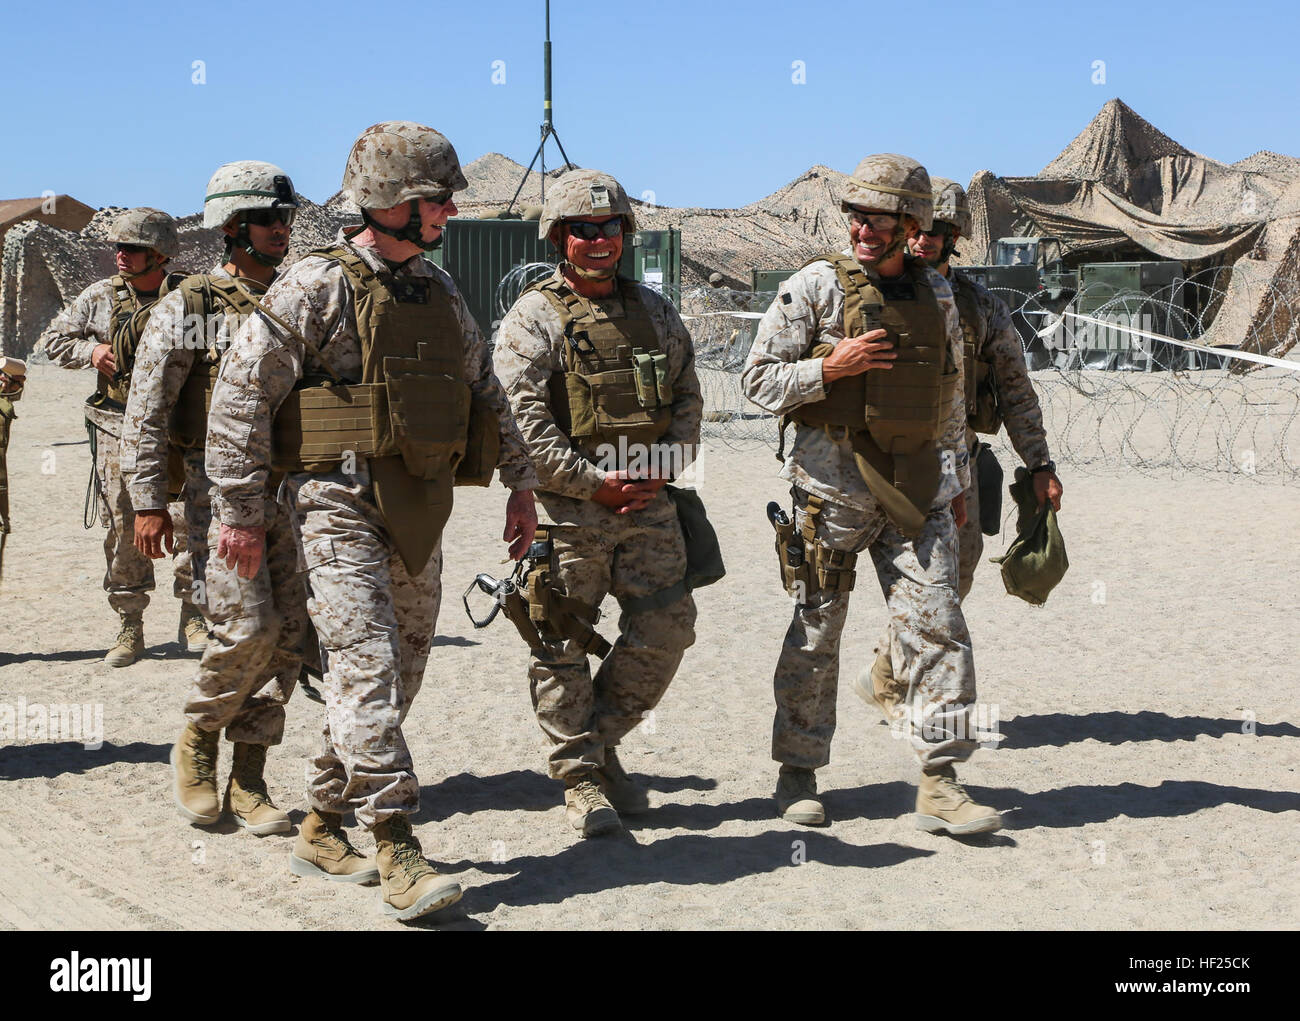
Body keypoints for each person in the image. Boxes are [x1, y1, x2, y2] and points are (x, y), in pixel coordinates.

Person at [205, 121, 538, 921]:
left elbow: (486, 388)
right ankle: (396, 842)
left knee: (402, 671)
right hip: (334, 505)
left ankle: (321, 821)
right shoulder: (315, 284)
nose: (448, 212)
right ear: (388, 202)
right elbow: (241, 398)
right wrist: (239, 512)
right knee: (364, 666)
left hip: (419, 505)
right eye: (434, 200)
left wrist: (522, 483)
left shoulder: (438, 288)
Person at [743, 154, 1001, 836]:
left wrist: (958, 483)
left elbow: (949, 395)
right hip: (829, 495)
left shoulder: (939, 297)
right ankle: (798, 770)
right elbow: (757, 380)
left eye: (878, 218)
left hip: (918, 493)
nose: (863, 229)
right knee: (817, 632)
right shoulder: (815, 287)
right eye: (856, 215)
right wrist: (832, 367)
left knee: (939, 623)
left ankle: (940, 779)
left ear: (909, 223)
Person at [493, 169, 702, 837]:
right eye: (583, 229)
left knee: (667, 627)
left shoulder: (654, 311)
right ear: (559, 237)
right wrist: (593, 484)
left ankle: (599, 743)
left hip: (648, 504)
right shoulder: (535, 316)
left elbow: (690, 400)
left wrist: (658, 468)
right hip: (568, 513)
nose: (598, 240)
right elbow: (522, 420)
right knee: (558, 640)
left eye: (610, 228)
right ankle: (580, 777)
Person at [122, 162, 310, 837]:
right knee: (246, 628)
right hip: (215, 493)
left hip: (296, 491)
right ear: (232, 229)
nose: (281, 229)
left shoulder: (301, 296)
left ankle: (251, 777)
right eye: (267, 219)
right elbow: (146, 411)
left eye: (286, 218)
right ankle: (199, 737)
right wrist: (149, 501)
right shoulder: (191, 305)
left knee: (288, 634)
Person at [861, 180, 1063, 714]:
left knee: (956, 576)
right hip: (875, 463)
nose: (927, 241)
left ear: (956, 238)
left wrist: (1039, 463)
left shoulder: (981, 308)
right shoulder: (868, 292)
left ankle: (884, 671)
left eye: (940, 232)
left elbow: (1017, 391)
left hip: (957, 464)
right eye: (920, 230)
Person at [37, 208, 199, 666]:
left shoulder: (190, 296)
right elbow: (53, 341)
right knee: (124, 524)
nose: (120, 256)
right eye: (118, 247)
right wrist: (92, 351)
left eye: (132, 248)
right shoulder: (99, 297)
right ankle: (130, 622)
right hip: (116, 425)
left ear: (160, 254)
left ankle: (193, 613)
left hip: (180, 428)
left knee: (189, 521)